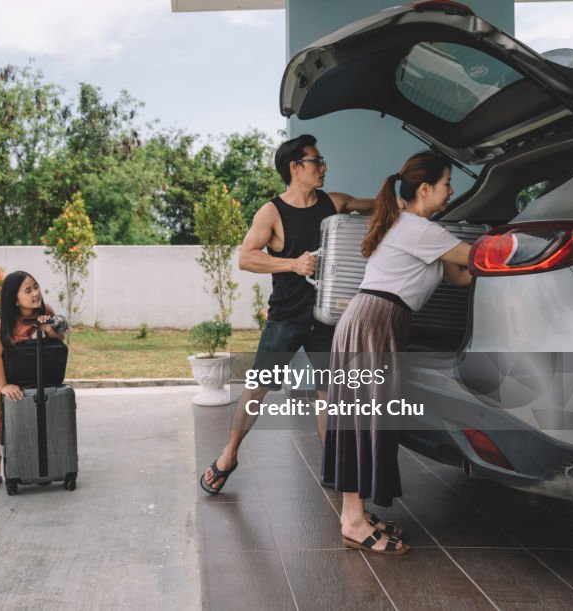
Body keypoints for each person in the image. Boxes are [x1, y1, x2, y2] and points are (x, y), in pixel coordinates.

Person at [200, 133, 374, 495]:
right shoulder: (272, 212)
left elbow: (376, 206)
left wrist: (401, 193)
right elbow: (247, 257)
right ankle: (229, 455)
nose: (324, 167)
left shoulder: (333, 202)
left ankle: (333, 468)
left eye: (322, 160)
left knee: (330, 394)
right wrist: (292, 264)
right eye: (316, 161)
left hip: (327, 319)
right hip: (286, 317)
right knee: (257, 389)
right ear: (296, 168)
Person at [322, 151, 472, 554]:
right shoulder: (420, 229)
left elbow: (461, 275)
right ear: (425, 189)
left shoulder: (419, 229)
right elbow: (474, 259)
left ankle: (355, 513)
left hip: (375, 321)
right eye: (446, 183)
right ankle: (353, 520)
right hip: (376, 322)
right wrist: (518, 247)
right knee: (363, 419)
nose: (451, 190)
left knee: (367, 418)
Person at [0, 271, 67, 492]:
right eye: (28, 290)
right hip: (1, 372)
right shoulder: (8, 321)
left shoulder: (46, 313)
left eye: (36, 286)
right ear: (15, 299)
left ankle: (38, 463)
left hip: (30, 371)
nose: (36, 293)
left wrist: (47, 328)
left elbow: (57, 341)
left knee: (36, 414)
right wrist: (3, 386)